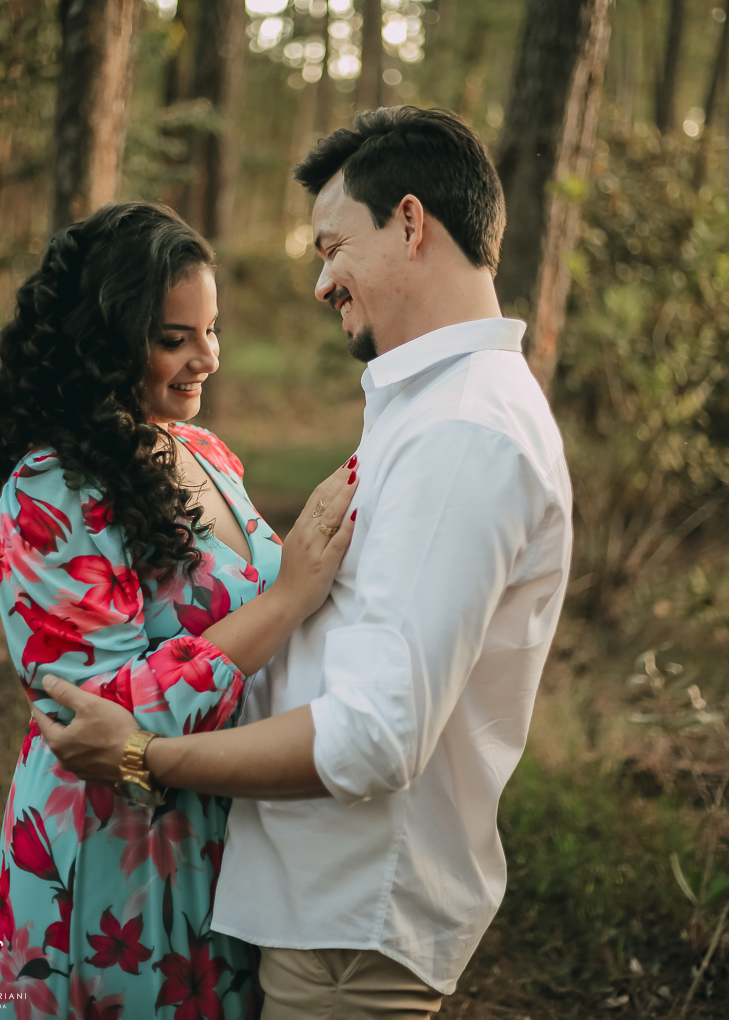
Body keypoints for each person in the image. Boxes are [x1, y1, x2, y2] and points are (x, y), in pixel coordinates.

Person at [35, 106, 574, 1020]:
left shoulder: (463, 433)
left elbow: (373, 735)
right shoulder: (436, 405)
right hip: (315, 909)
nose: (323, 280)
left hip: (350, 928)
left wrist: (145, 756)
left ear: (410, 223)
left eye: (333, 246)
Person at [0, 202, 358, 1020]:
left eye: (211, 331)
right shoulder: (53, 487)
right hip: (119, 852)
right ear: (105, 343)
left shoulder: (203, 452)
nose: (206, 358)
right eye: (173, 338)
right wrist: (288, 598)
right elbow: (93, 719)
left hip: (222, 826)